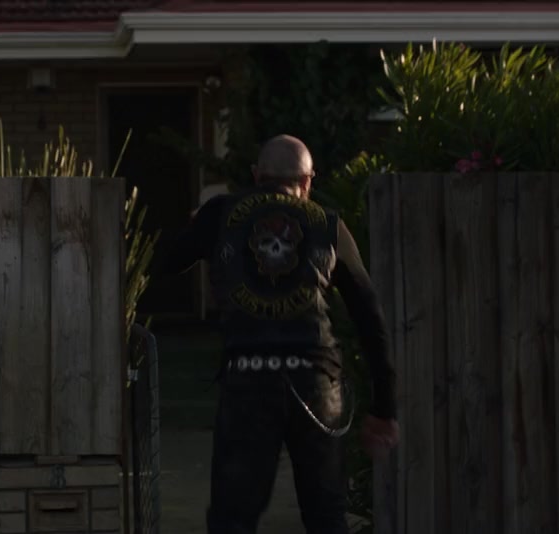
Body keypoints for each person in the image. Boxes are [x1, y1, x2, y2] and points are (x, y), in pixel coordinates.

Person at [155, 134, 400, 534]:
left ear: (257, 176)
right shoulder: (327, 224)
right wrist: (384, 408)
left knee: (232, 520)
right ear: (307, 181)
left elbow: (163, 262)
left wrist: (198, 228)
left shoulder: (221, 214)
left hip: (248, 378)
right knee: (326, 518)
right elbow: (369, 316)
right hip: (316, 381)